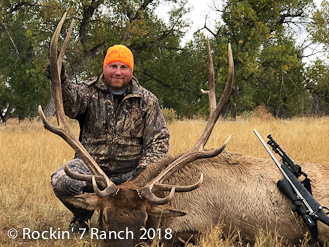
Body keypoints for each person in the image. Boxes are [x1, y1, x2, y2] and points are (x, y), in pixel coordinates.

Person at [48, 45, 170, 232]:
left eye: (124, 67)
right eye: (113, 66)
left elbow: (159, 140)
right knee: (61, 181)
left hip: (131, 173)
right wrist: (62, 80)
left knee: (164, 188)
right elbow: (70, 106)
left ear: (131, 70)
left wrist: (143, 171)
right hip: (92, 169)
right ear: (104, 68)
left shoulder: (147, 100)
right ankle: (82, 217)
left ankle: (130, 222)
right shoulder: (89, 91)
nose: (118, 72)